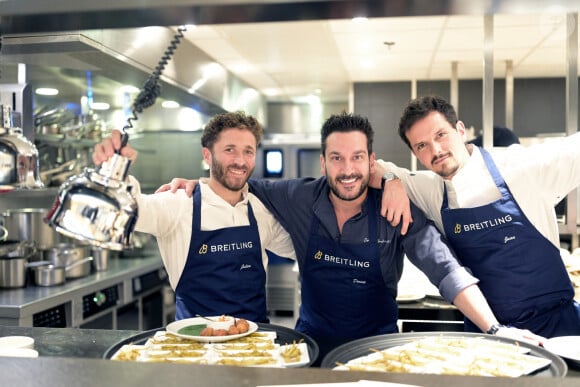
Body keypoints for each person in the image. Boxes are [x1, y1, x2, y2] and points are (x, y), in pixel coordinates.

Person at [157, 112, 542, 361]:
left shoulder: (396, 209)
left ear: (371, 162)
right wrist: (197, 185)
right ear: (323, 163)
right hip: (310, 352)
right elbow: (233, 179)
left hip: (379, 354)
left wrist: (494, 328)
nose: (347, 170)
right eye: (337, 159)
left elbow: (445, 269)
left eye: (357, 157)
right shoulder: (297, 196)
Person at [375, 95, 580, 337]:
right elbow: (367, 166)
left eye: (441, 135)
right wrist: (391, 179)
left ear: (460, 130)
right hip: (489, 335)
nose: (436, 150)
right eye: (422, 146)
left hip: (559, 330)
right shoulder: (429, 189)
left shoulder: (522, 166)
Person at [92, 111, 296, 323]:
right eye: (229, 150)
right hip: (195, 347)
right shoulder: (178, 204)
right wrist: (111, 168)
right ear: (207, 155)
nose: (240, 161)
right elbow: (125, 209)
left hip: (255, 344)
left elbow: (302, 250)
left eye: (248, 151)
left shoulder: (259, 210)